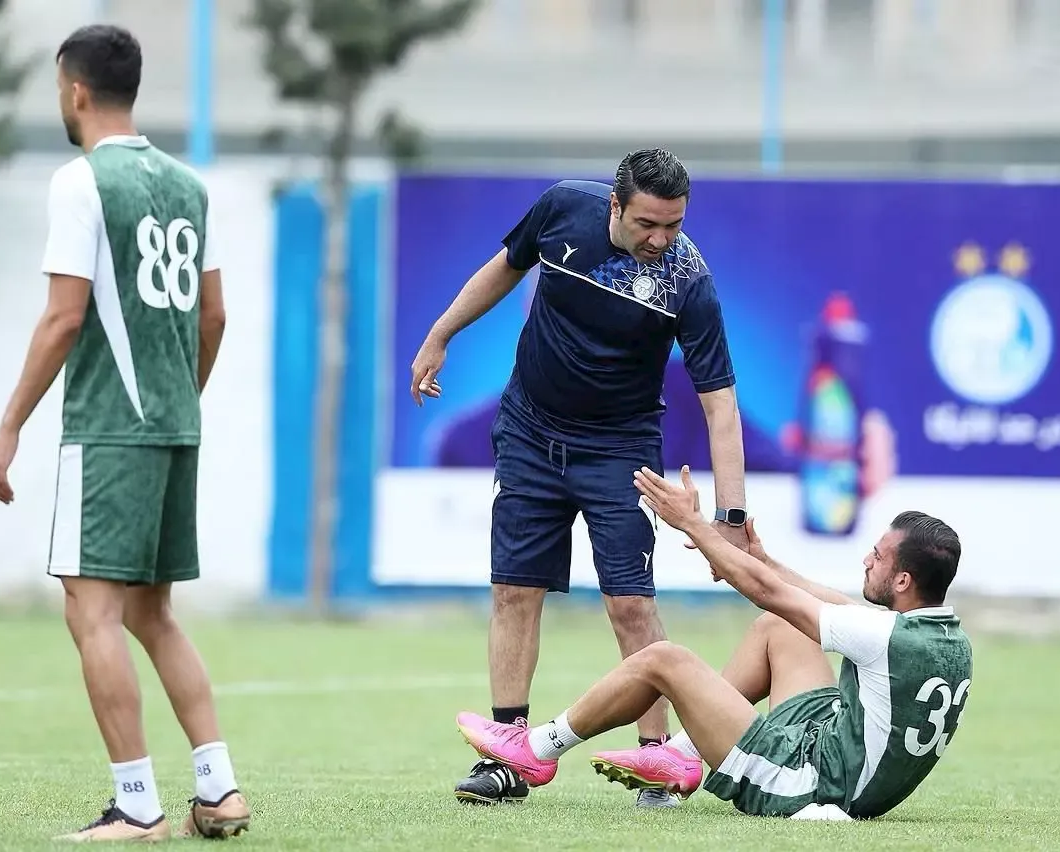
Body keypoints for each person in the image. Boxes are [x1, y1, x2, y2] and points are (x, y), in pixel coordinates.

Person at [410, 149, 751, 808]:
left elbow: (720, 403)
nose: (661, 240)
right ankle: (509, 755)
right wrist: (440, 334)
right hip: (530, 434)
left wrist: (730, 522)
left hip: (621, 451)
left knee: (630, 604)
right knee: (515, 591)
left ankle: (657, 761)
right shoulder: (565, 207)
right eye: (648, 224)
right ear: (615, 206)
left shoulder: (688, 280)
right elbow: (503, 270)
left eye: (673, 225)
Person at [0, 25, 250, 842]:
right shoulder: (187, 184)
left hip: (107, 435)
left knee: (91, 613)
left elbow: (63, 318)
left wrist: (6, 430)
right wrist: (177, 403)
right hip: (174, 428)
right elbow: (215, 315)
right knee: (151, 615)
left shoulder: (80, 183)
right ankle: (219, 789)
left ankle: (137, 806)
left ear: (74, 90)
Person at [455, 465, 972, 820]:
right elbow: (814, 601)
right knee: (781, 628)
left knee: (663, 659)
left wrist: (692, 525)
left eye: (878, 557)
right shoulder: (943, 637)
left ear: (903, 582)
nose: (866, 560)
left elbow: (768, 594)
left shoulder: (883, 636)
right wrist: (761, 560)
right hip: (841, 759)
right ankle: (680, 755)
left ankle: (536, 750)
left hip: (810, 783)